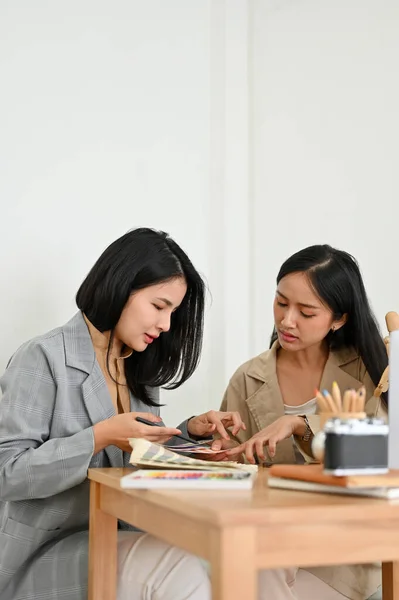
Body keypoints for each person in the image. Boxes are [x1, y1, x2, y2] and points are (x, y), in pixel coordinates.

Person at [0, 227, 245, 600]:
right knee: (177, 570)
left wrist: (190, 433)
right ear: (121, 286)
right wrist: (99, 436)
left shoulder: (138, 369)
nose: (166, 325)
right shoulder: (43, 357)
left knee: (206, 559)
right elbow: (9, 473)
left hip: (118, 535)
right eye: (159, 306)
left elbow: (131, 461)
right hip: (45, 554)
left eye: (173, 313)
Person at [213, 244, 387, 600]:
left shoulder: (374, 370)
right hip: (269, 543)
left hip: (346, 553)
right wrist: (212, 451)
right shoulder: (247, 378)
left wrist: (299, 425)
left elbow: (379, 455)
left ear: (339, 319)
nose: (287, 321)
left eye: (306, 312)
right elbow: (230, 471)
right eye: (281, 303)